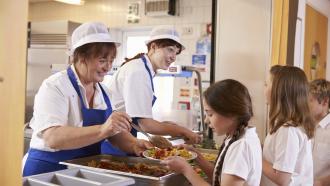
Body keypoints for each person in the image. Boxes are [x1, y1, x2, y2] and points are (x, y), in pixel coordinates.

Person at [23, 22, 152, 176]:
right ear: (82, 57)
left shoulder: (103, 91)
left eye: (111, 61)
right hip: (48, 170)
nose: (108, 67)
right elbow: (53, 137)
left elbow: (113, 133)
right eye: (102, 60)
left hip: (82, 170)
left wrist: (134, 144)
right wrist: (103, 129)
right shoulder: (55, 86)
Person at [103, 25, 201, 155]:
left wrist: (169, 127)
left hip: (124, 135)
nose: (173, 57)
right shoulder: (138, 71)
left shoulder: (144, 69)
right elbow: (146, 125)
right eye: (170, 50)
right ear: (153, 47)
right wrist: (182, 130)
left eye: (176, 52)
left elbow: (138, 118)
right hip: (115, 141)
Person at [161, 79, 262, 186]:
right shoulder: (238, 137)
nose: (206, 120)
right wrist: (196, 156)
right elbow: (219, 179)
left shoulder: (242, 146)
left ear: (231, 113)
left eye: (210, 114)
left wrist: (185, 169)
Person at [261, 65, 315, 185]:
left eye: (266, 84)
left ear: (278, 91)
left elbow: (282, 178)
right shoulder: (287, 127)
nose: (263, 88)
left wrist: (256, 156)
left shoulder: (288, 130)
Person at [308, 79, 330, 186]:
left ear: (325, 102)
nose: (306, 105)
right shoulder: (304, 125)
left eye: (311, 100)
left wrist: (320, 183)